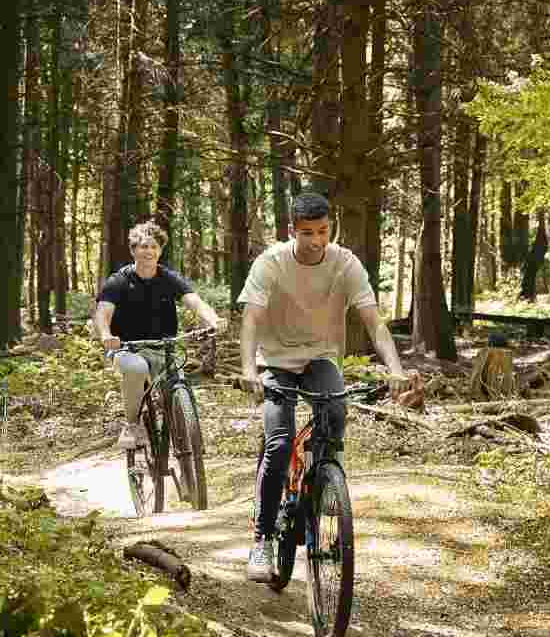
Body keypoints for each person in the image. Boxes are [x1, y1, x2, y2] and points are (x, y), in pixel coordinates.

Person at [237, 191, 411, 582]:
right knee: (279, 443)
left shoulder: (345, 263)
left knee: (334, 410)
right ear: (291, 231)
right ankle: (262, 539)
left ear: (330, 226)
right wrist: (249, 367)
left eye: (323, 231)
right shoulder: (271, 263)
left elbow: (374, 322)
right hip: (276, 361)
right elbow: (250, 320)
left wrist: (395, 369)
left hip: (321, 357)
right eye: (307, 233)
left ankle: (324, 479)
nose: (316, 241)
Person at [93, 220, 226, 449]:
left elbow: (194, 301)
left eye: (154, 247)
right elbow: (102, 312)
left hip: (165, 347)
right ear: (134, 250)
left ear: (160, 251)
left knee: (179, 385)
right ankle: (132, 425)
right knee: (136, 369)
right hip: (127, 348)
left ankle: (191, 445)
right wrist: (106, 335)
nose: (149, 251)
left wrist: (213, 319)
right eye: (143, 246)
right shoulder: (119, 281)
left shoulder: (168, 278)